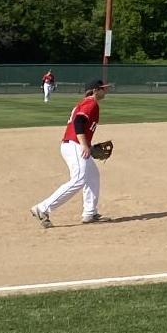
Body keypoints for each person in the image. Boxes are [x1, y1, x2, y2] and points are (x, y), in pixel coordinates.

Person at [31, 78, 111, 227]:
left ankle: (89, 213)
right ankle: (42, 208)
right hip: (73, 145)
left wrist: (88, 145)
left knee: (92, 175)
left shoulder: (87, 103)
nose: (105, 90)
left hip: (74, 144)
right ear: (95, 90)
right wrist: (84, 145)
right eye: (102, 88)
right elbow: (78, 122)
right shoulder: (91, 103)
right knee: (79, 178)